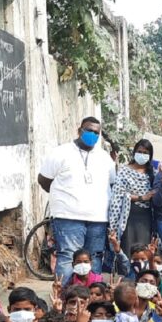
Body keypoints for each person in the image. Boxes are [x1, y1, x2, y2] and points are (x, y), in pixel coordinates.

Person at [38, 116, 117, 280]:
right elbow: (44, 180)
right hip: (68, 217)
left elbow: (111, 184)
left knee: (94, 258)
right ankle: (65, 299)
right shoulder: (61, 152)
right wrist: (63, 199)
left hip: (98, 219)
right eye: (89, 130)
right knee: (68, 257)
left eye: (96, 132)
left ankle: (93, 299)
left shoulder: (105, 158)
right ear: (79, 130)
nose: (92, 134)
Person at [109, 139, 157, 255]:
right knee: (128, 249)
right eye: (139, 151)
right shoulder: (124, 171)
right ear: (134, 152)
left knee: (144, 251)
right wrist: (142, 197)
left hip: (146, 217)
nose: (142, 155)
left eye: (146, 153)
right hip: (128, 216)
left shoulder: (153, 173)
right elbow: (118, 194)